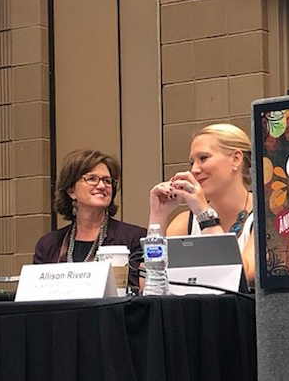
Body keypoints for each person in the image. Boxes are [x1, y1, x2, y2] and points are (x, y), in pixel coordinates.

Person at [149, 123, 256, 288]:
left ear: (236, 158)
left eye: (203, 158)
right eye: (192, 162)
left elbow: (240, 276)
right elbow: (149, 284)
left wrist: (204, 214)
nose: (194, 169)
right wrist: (159, 216)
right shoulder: (184, 222)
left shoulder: (265, 218)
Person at [33, 149, 145, 292]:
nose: (102, 186)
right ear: (71, 191)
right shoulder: (48, 245)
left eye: (107, 181)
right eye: (92, 179)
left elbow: (139, 295)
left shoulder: (134, 238)